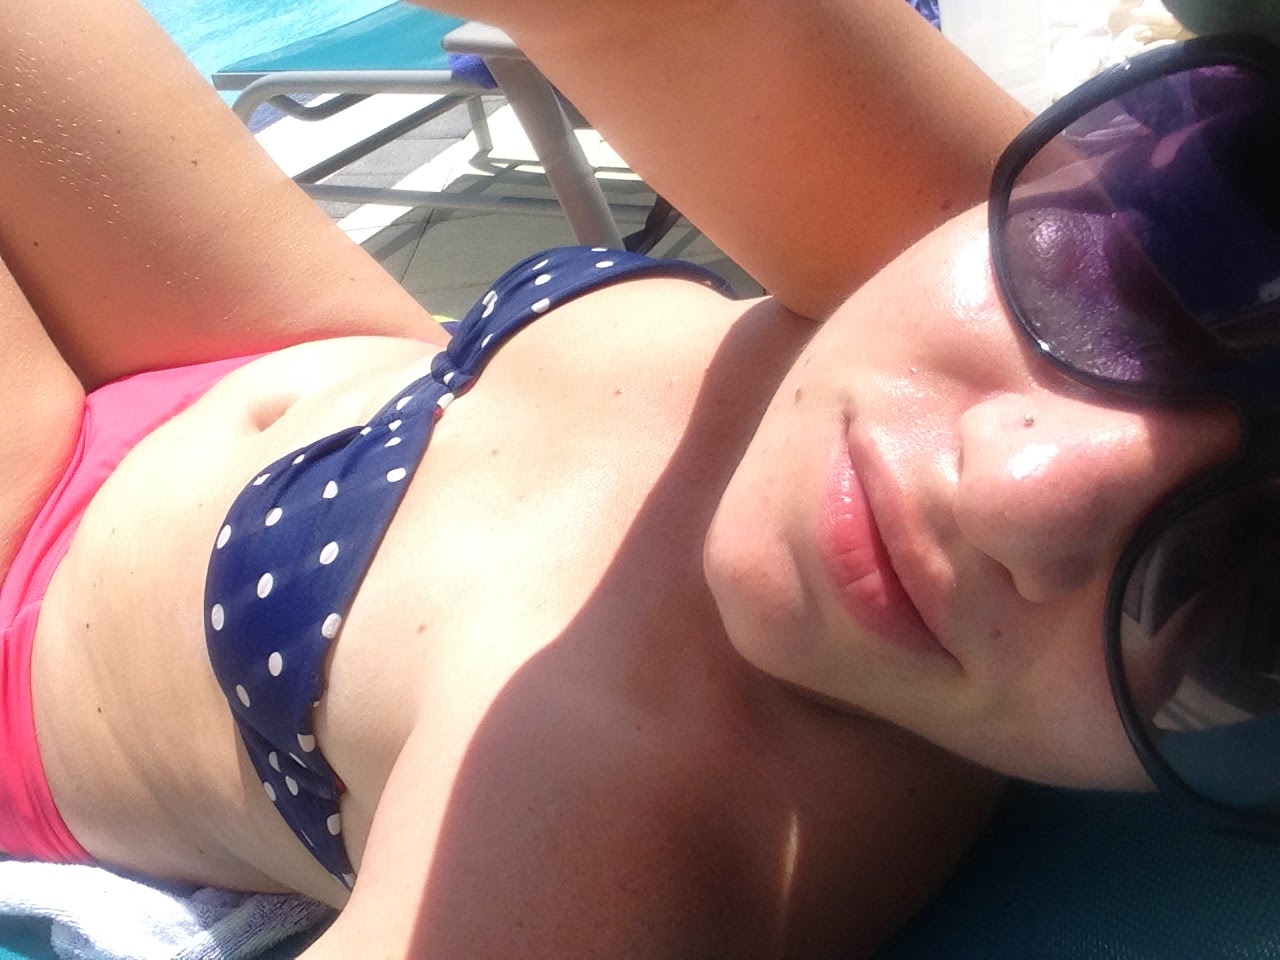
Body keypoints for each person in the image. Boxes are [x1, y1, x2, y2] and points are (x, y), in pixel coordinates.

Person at [0, 0, 1274, 956]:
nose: (1017, 491)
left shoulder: (622, 840)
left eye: (1263, 589)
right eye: (1175, 287)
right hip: (292, 356)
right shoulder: (982, 232)